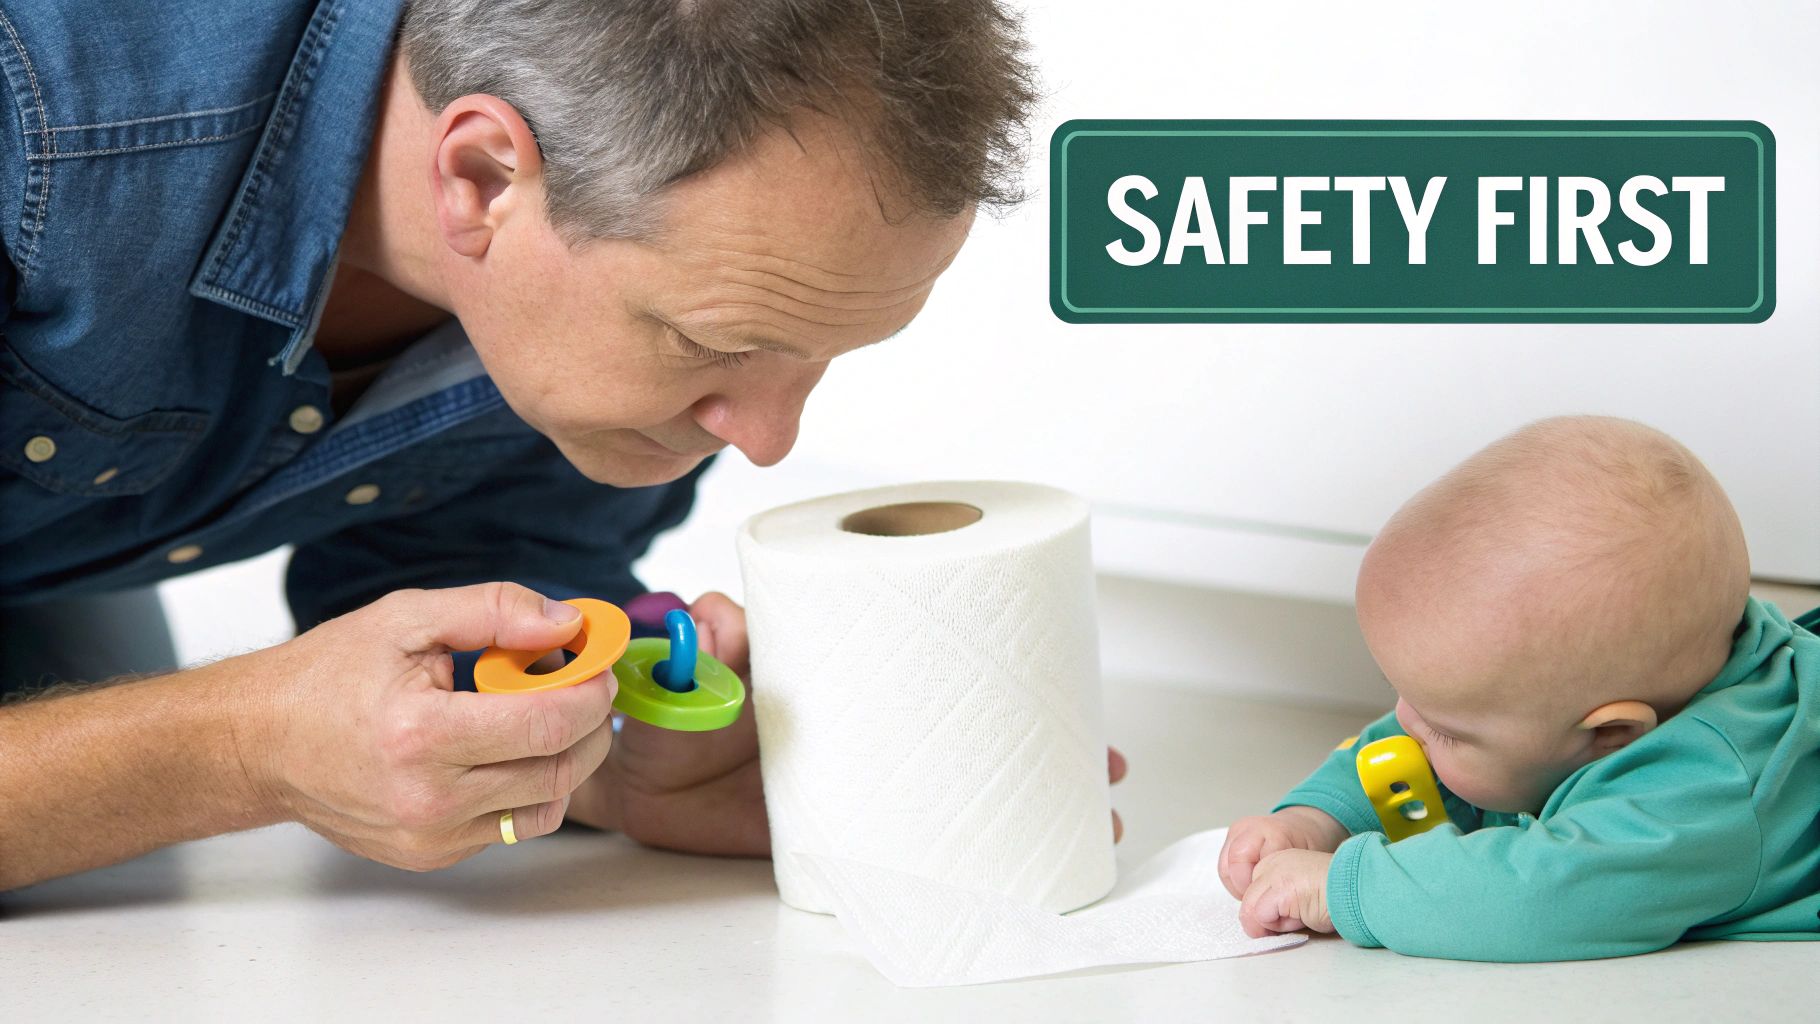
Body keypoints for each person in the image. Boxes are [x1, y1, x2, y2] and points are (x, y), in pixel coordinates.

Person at [0, 0, 1116, 889]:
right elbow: (237, 746)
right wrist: (242, 748)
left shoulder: (595, 325)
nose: (768, 441)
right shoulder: (42, 126)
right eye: (713, 343)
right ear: (481, 178)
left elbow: (462, 603)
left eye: (820, 356)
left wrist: (589, 765)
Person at [1218, 416, 1820, 958]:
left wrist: (1343, 886)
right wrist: (1320, 816)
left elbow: (1534, 897)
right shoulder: (1615, 682)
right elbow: (1410, 758)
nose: (1402, 720)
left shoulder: (1706, 793)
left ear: (1611, 733)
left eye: (1445, 729)